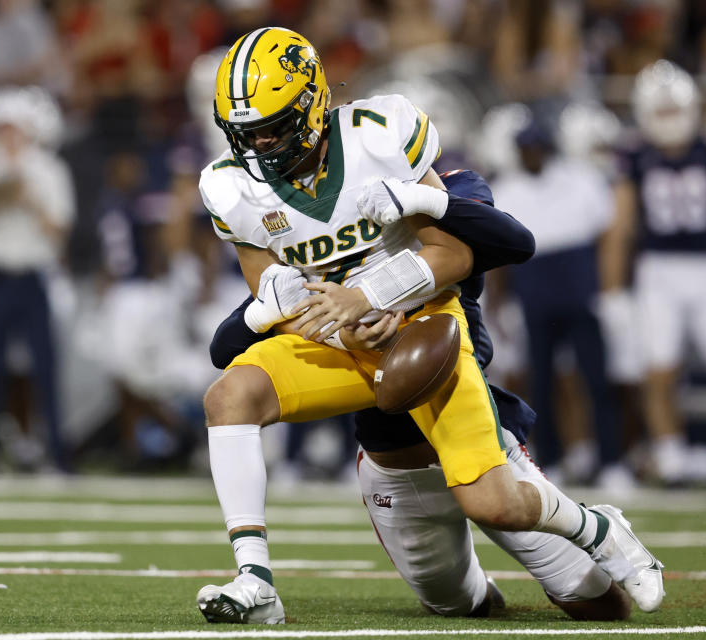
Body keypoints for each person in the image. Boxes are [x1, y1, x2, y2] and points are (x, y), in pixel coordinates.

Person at [194, 27, 663, 624]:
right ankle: (255, 579)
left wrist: (367, 296)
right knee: (230, 395)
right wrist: (308, 308)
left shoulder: (379, 137)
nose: (258, 142)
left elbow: (456, 256)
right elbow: (263, 278)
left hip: (423, 328)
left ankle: (598, 527)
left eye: (273, 125)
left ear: (312, 103)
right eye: (245, 131)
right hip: (341, 342)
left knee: (512, 521)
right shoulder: (231, 186)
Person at [210, 169, 631, 621]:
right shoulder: (322, 265)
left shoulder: (440, 216)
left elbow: (504, 247)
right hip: (396, 459)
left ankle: (597, 531)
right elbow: (226, 344)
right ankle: (482, 588)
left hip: (466, 429)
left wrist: (422, 208)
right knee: (456, 603)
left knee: (596, 602)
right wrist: (300, 320)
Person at [603, 60, 706, 485]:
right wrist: (613, 292)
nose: (669, 120)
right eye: (660, 112)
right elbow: (620, 228)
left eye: (674, 111)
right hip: (658, 272)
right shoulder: (635, 157)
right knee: (659, 371)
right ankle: (672, 458)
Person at [490, 116, 630, 489]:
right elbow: (499, 259)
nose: (532, 155)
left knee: (597, 379)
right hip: (536, 292)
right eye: (526, 148)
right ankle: (551, 459)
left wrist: (611, 290)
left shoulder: (582, 181)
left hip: (579, 289)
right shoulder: (505, 189)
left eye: (537, 147)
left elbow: (607, 239)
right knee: (542, 382)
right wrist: (499, 303)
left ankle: (612, 460)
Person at [0, 86, 74, 473]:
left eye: (13, 128)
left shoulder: (50, 171)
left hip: (34, 278)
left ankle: (58, 453)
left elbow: (59, 231)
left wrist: (28, 199)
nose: (7, 136)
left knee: (45, 369)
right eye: (0, 128)